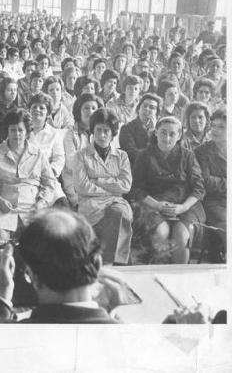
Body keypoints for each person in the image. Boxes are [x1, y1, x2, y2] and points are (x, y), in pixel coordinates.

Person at [0, 208, 117, 323]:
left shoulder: (8, 335)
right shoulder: (127, 338)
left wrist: (0, 295)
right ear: (97, 264)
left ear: (32, 277)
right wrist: (110, 316)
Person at [131, 116, 206, 264]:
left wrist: (182, 207)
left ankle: (180, 282)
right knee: (161, 232)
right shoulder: (144, 155)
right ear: (156, 132)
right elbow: (135, 189)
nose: (167, 138)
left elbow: (198, 188)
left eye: (172, 134)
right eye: (163, 132)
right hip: (152, 204)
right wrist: (157, 205)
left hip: (186, 205)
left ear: (179, 136)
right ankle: (159, 276)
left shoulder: (188, 156)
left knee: (181, 235)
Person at [0, 109, 58, 240]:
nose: (16, 134)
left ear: (27, 132)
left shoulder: (38, 154)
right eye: (12, 130)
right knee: (1, 241)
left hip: (32, 208)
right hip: (2, 208)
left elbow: (50, 184)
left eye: (20, 130)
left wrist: (41, 203)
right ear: (7, 131)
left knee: (37, 243)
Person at [73, 108, 133, 265]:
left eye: (106, 131)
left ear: (113, 133)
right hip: (90, 205)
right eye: (98, 130)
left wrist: (98, 180)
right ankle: (112, 264)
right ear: (92, 131)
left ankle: (110, 265)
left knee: (119, 213)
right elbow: (82, 187)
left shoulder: (122, 156)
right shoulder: (81, 156)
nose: (101, 135)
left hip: (115, 203)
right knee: (116, 218)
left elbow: (126, 185)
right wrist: (112, 186)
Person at [194, 109, 226, 263]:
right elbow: (206, 181)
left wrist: (220, 181)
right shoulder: (202, 151)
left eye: (221, 127)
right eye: (213, 126)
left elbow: (215, 181)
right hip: (213, 202)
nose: (215, 130)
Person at [62, 93, 104, 207]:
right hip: (76, 182)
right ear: (78, 111)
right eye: (86, 108)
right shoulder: (70, 134)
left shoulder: (103, 133)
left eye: (94, 108)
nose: (90, 111)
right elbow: (71, 163)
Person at [118, 93, 161, 167]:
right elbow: (133, 155)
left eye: (152, 107)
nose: (147, 109)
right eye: (144, 106)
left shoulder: (161, 130)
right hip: (136, 169)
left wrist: (153, 131)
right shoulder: (127, 129)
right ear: (138, 109)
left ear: (157, 114)